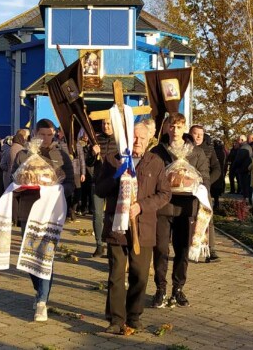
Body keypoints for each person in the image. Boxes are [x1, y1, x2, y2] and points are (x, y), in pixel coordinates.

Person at [95, 121, 171, 335]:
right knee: (116, 274)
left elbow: (165, 193)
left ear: (149, 141)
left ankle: (134, 316)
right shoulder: (112, 160)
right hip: (116, 227)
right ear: (128, 138)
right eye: (135, 137)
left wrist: (141, 206)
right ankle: (116, 319)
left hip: (144, 227)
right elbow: (100, 190)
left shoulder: (155, 162)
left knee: (139, 274)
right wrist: (117, 174)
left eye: (142, 138)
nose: (138, 142)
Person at [9, 119, 74, 322]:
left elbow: (71, 181)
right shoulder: (24, 155)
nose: (46, 138)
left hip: (51, 212)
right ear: (34, 134)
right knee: (29, 255)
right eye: (42, 134)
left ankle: (42, 302)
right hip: (28, 210)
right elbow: (13, 179)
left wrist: (60, 190)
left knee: (46, 256)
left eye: (50, 134)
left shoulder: (61, 155)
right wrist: (21, 185)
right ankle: (39, 290)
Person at [151, 113, 209, 308]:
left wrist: (195, 184)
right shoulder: (158, 151)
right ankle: (160, 288)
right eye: (172, 126)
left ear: (185, 129)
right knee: (160, 248)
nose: (175, 130)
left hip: (186, 207)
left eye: (179, 126)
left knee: (182, 249)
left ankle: (178, 288)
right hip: (162, 207)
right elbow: (151, 176)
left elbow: (205, 178)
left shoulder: (195, 152)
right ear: (167, 128)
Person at [190, 125, 222, 262]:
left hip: (203, 188)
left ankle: (211, 250)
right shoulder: (185, 149)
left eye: (200, 134)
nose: (198, 137)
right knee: (189, 218)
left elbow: (217, 169)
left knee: (207, 218)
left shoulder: (209, 150)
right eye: (195, 134)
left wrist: (207, 182)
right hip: (187, 189)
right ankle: (188, 248)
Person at [87, 119, 118, 257]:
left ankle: (112, 244)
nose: (106, 126)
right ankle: (99, 244)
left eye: (108, 123)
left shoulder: (119, 140)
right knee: (98, 215)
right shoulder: (96, 140)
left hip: (114, 182)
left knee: (112, 215)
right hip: (98, 182)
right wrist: (93, 153)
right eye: (104, 124)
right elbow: (88, 162)